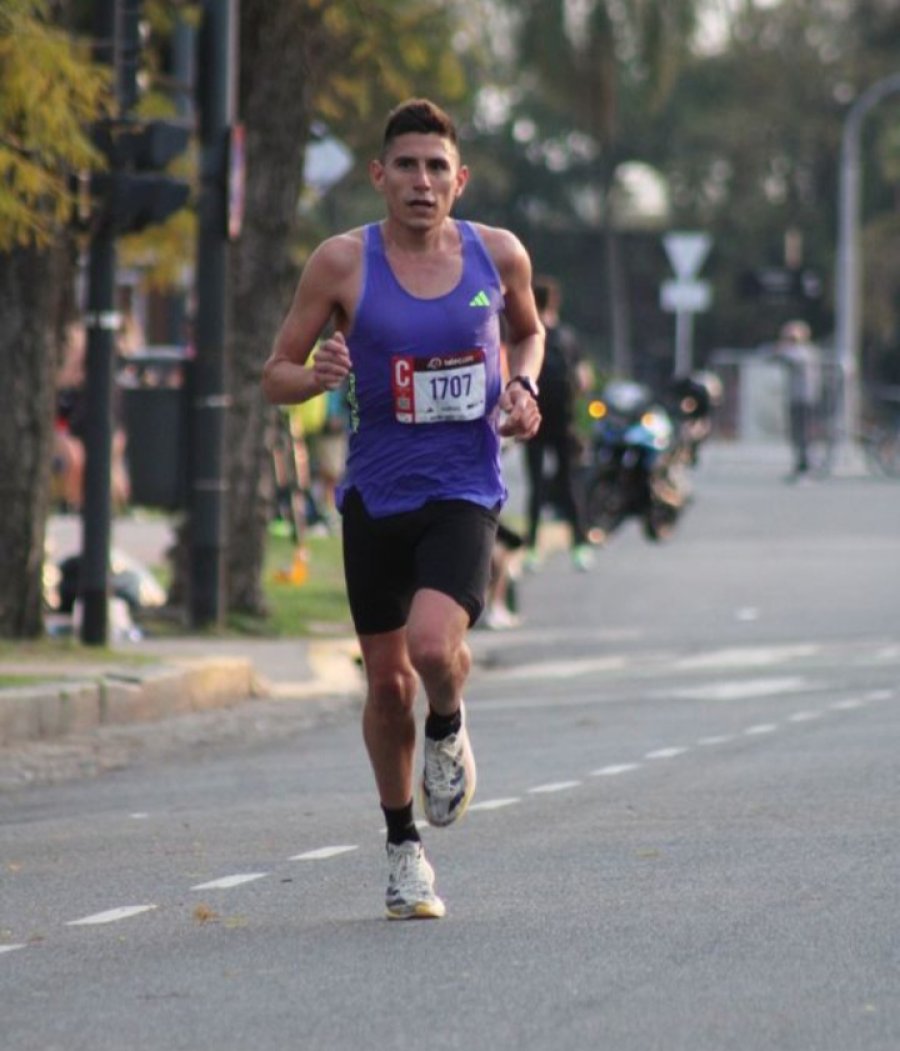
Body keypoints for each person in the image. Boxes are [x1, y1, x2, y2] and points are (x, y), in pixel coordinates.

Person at [261, 98, 544, 920]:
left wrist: (524, 386)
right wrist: (313, 376)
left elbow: (528, 333)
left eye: (436, 167)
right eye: (407, 166)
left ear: (460, 180)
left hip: (463, 489)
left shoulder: (499, 254)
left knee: (430, 645)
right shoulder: (341, 263)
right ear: (379, 175)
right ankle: (402, 848)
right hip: (375, 497)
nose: (422, 182)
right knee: (387, 687)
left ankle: (447, 726)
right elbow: (275, 373)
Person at [522, 276, 594, 571]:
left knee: (536, 487)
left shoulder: (528, 334)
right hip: (564, 421)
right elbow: (584, 380)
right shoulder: (568, 336)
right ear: (555, 302)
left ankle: (532, 548)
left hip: (533, 421)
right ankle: (580, 545)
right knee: (570, 484)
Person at [772, 319, 822, 479]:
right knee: (797, 433)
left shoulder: (802, 352)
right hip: (797, 398)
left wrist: (783, 344)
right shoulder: (804, 351)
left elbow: (779, 354)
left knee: (803, 433)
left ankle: (807, 465)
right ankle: (801, 464)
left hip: (804, 398)